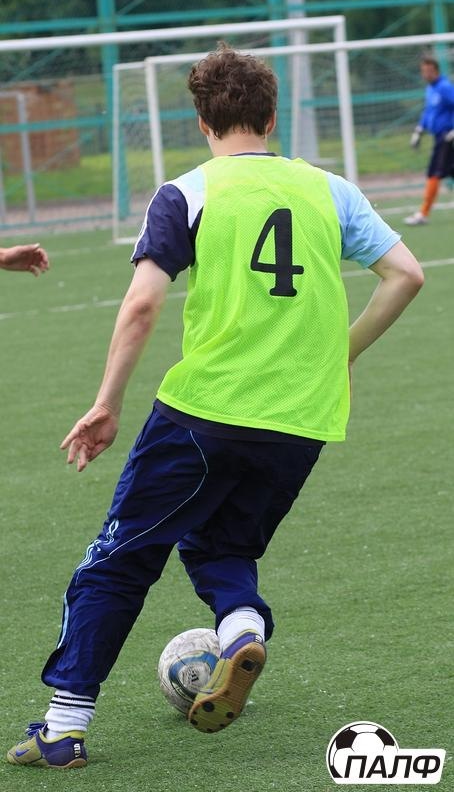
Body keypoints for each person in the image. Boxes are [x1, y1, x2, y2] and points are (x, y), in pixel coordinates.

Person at [7, 44, 424, 770]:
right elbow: (406, 275)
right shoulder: (330, 189)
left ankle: (63, 727)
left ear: (202, 121)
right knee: (222, 548)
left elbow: (142, 304)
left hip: (205, 412)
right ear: (272, 117)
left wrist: (106, 403)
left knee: (118, 560)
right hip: (301, 419)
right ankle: (239, 631)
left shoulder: (187, 192)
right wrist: (340, 355)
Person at [404, 56, 454, 225]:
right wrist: (419, 131)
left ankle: (423, 213)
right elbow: (428, 113)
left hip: (447, 137)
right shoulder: (430, 89)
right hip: (439, 136)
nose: (426, 74)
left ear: (436, 71)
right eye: (423, 71)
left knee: (434, 172)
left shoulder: (444, 87)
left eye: (429, 71)